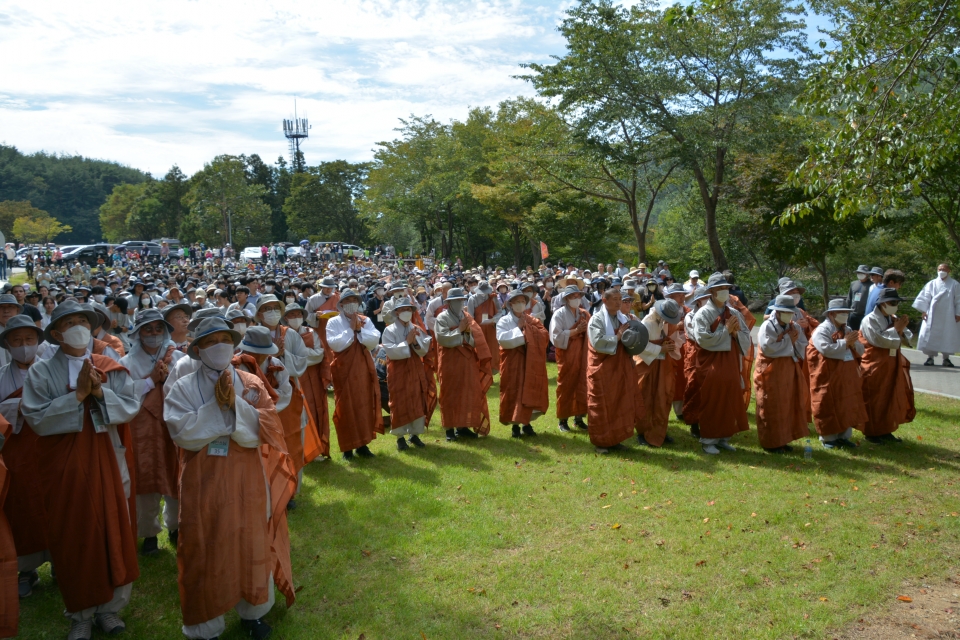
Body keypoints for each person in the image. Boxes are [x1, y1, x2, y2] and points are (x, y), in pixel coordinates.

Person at [163, 317, 295, 640]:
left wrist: (234, 406)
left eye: (224, 338)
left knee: (250, 540)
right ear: (197, 349)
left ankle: (254, 612)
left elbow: (267, 428)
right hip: (203, 482)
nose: (218, 346)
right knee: (204, 544)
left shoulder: (251, 382)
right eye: (210, 341)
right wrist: (220, 411)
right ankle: (204, 624)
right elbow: (182, 432)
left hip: (248, 479)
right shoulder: (182, 387)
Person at [21, 300, 142, 639]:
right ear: (57, 333)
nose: (77, 327)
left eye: (82, 321)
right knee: (75, 531)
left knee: (112, 525)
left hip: (109, 457)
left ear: (91, 327)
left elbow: (129, 406)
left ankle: (111, 609)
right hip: (65, 468)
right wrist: (76, 396)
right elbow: (37, 419)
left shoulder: (108, 364)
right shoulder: (41, 372)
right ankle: (81, 612)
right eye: (69, 322)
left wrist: (99, 391)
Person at [119, 309, 185, 555]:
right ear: (138, 333)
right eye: (148, 329)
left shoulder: (178, 358)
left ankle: (177, 526)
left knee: (176, 473)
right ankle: (148, 533)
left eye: (159, 329)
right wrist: (149, 380)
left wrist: (167, 379)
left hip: (174, 424)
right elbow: (122, 394)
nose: (154, 334)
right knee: (146, 479)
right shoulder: (126, 362)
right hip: (143, 427)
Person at [0, 316, 50, 599]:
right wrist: (17, 407)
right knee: (22, 506)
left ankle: (60, 561)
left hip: (49, 448)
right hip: (17, 452)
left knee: (55, 503)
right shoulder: (0, 377)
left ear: (38, 342)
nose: (24, 346)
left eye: (29, 340)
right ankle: (26, 569)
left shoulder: (51, 371)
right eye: (17, 340)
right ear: (7, 344)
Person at [688, 273, 751, 455]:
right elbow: (703, 339)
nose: (724, 292)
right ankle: (708, 440)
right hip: (712, 364)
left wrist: (735, 333)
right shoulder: (703, 313)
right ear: (711, 292)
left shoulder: (734, 313)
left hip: (731, 362)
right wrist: (726, 330)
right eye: (719, 289)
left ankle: (724, 437)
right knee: (713, 399)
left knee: (730, 397)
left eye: (726, 288)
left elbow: (745, 335)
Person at [585, 288, 645, 454]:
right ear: (605, 301)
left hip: (620, 367)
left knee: (620, 401)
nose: (619, 302)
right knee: (602, 404)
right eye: (615, 299)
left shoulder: (623, 318)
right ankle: (601, 442)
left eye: (621, 299)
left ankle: (616, 439)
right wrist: (618, 337)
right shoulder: (596, 319)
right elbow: (597, 343)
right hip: (602, 368)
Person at [325, 289, 382, 460]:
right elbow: (335, 345)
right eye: (347, 300)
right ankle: (347, 448)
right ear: (341, 304)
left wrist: (359, 331)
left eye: (354, 300)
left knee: (363, 404)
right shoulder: (333, 322)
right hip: (343, 370)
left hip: (363, 369)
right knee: (345, 406)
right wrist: (350, 330)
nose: (351, 304)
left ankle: (363, 444)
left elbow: (374, 340)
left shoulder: (365, 320)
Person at [753, 295, 810, 454]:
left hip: (787, 369)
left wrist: (792, 341)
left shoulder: (794, 326)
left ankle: (783, 439)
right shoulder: (767, 326)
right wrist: (788, 341)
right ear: (777, 312)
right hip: (770, 371)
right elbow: (768, 348)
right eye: (785, 312)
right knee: (771, 405)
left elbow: (802, 344)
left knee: (787, 404)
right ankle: (770, 442)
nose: (789, 315)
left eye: (791, 312)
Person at [807, 299, 867, 449]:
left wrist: (852, 343)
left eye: (847, 313)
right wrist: (844, 343)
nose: (845, 315)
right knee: (827, 402)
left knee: (846, 403)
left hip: (845, 375)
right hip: (827, 375)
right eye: (842, 313)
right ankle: (828, 438)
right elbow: (825, 349)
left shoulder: (847, 329)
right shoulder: (822, 330)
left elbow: (861, 350)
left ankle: (843, 436)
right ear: (832, 314)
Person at [434, 287, 493, 442]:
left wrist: (466, 335)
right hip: (449, 360)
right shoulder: (442, 317)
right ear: (449, 303)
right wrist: (460, 330)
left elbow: (476, 338)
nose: (459, 303)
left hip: (467, 361)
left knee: (467, 392)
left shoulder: (467, 317)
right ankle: (449, 429)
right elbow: (442, 338)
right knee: (450, 393)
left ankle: (463, 426)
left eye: (461, 300)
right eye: (456, 301)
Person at [859, 288, 915, 443]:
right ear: (882, 304)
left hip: (891, 364)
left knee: (890, 396)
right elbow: (879, 340)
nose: (895, 305)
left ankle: (885, 430)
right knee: (874, 397)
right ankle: (872, 432)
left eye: (896, 302)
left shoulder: (893, 317)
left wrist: (901, 330)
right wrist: (896, 330)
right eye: (892, 302)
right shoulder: (869, 319)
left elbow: (908, 337)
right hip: (875, 364)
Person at [496, 289, 549, 438]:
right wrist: (519, 328)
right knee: (514, 390)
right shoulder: (504, 320)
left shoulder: (531, 319)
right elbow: (502, 340)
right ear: (510, 304)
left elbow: (544, 334)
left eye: (523, 301)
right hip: (513, 361)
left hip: (530, 361)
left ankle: (527, 423)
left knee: (528, 390)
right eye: (517, 302)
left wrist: (529, 329)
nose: (520, 304)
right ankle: (515, 426)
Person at [381, 296, 432, 451]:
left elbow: (424, 349)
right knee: (399, 400)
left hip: (415, 368)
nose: (406, 312)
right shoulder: (389, 330)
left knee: (416, 398)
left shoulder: (416, 328)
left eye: (408, 309)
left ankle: (415, 434)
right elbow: (391, 351)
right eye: (402, 310)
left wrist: (415, 342)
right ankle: (400, 437)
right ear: (396, 312)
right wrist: (407, 343)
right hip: (398, 370)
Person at [634, 299, 683, 447]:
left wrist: (668, 345)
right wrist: (660, 349)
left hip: (661, 366)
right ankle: (642, 432)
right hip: (648, 367)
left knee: (662, 397)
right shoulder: (647, 323)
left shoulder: (661, 322)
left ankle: (659, 429)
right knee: (647, 398)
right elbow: (640, 347)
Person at [282, 303, 328, 460]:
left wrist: (297, 355)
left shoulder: (310, 332)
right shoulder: (282, 335)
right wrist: (301, 357)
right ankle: (297, 450)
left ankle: (314, 449)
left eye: (298, 315)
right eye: (291, 315)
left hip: (311, 378)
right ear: (285, 318)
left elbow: (319, 354)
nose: (295, 318)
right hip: (291, 378)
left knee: (314, 410)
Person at [549, 285, 589, 432]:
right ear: (566, 299)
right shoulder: (559, 314)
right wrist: (575, 331)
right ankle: (562, 420)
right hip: (567, 354)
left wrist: (584, 331)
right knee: (566, 384)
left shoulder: (584, 314)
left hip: (582, 353)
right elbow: (556, 337)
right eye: (573, 296)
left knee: (582, 384)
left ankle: (579, 418)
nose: (576, 299)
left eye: (578, 296)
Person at [913, 263, 960, 367]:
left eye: (943, 269)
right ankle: (930, 357)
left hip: (948, 315)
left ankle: (946, 358)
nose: (941, 271)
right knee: (930, 334)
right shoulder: (932, 283)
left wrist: (958, 313)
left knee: (947, 335)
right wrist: (923, 310)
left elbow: (958, 300)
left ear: (949, 271)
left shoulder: (955, 284)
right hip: (932, 314)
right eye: (939, 269)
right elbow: (925, 297)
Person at [467, 281, 501, 374]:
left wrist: (494, 319)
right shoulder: (472, 299)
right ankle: (480, 372)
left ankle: (492, 371)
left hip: (491, 328)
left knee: (492, 350)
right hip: (478, 329)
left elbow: (500, 312)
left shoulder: (493, 298)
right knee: (480, 350)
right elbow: (470, 316)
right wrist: (474, 329)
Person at [844, 265, 873, 330]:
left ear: (867, 274)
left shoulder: (872, 285)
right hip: (853, 314)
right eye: (858, 273)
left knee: (863, 335)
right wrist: (846, 312)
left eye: (862, 273)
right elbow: (849, 298)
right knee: (852, 333)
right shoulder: (853, 283)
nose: (860, 274)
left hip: (865, 315)